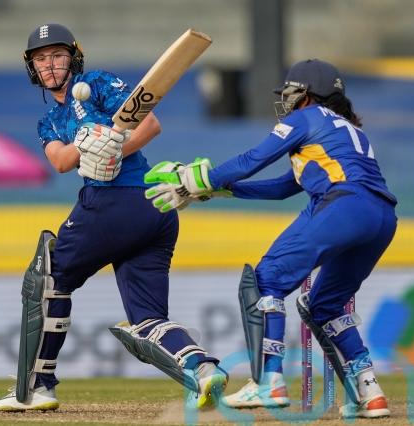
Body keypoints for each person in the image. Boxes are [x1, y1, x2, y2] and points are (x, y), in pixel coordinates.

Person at [0, 23, 227, 412]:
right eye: (41, 59)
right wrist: (88, 146)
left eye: (57, 55)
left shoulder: (98, 83)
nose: (49, 64)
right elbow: (60, 161)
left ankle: (37, 387)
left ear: (74, 58)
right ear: (32, 68)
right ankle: (202, 369)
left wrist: (115, 149)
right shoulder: (49, 121)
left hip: (121, 200)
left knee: (48, 278)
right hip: (154, 212)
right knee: (148, 318)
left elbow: (148, 124)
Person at [144, 59, 397, 418]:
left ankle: (269, 381)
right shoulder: (341, 131)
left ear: (309, 94)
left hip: (344, 205)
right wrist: (216, 191)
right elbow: (282, 188)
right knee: (326, 305)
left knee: (266, 279)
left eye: (291, 92)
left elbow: (252, 159)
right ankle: (369, 391)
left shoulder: (308, 117)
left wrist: (200, 179)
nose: (286, 100)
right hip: (382, 218)